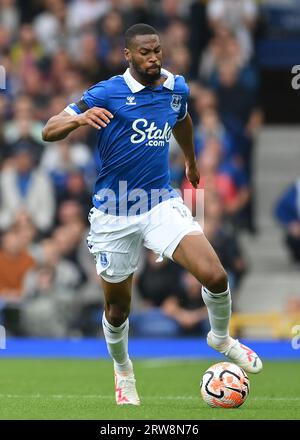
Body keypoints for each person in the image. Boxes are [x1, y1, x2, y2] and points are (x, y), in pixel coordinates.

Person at [42, 23, 262, 406]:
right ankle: (123, 369)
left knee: (214, 274)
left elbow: (183, 119)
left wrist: (192, 163)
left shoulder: (175, 87)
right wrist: (78, 119)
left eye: (157, 50)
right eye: (144, 52)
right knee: (117, 309)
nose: (153, 57)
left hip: (159, 204)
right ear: (128, 55)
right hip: (113, 214)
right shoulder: (107, 92)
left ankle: (221, 337)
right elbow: (48, 129)